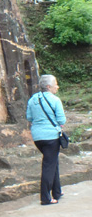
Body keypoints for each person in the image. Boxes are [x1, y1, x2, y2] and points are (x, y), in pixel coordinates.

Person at [26, 74, 66, 205]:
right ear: (49, 86)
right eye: (55, 84)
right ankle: (45, 198)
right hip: (51, 137)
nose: (57, 87)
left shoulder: (33, 99)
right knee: (49, 165)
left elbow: (29, 117)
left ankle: (57, 191)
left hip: (38, 137)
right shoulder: (55, 100)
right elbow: (61, 120)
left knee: (52, 162)